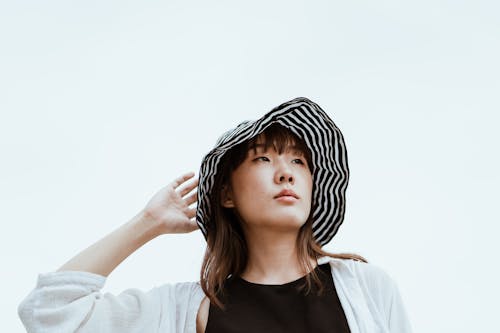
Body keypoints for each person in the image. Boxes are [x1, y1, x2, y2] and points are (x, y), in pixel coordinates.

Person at [18, 97, 413, 332]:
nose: (286, 171)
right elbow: (51, 312)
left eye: (299, 160)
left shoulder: (365, 287)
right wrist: (147, 223)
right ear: (226, 193)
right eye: (263, 157)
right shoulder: (192, 309)